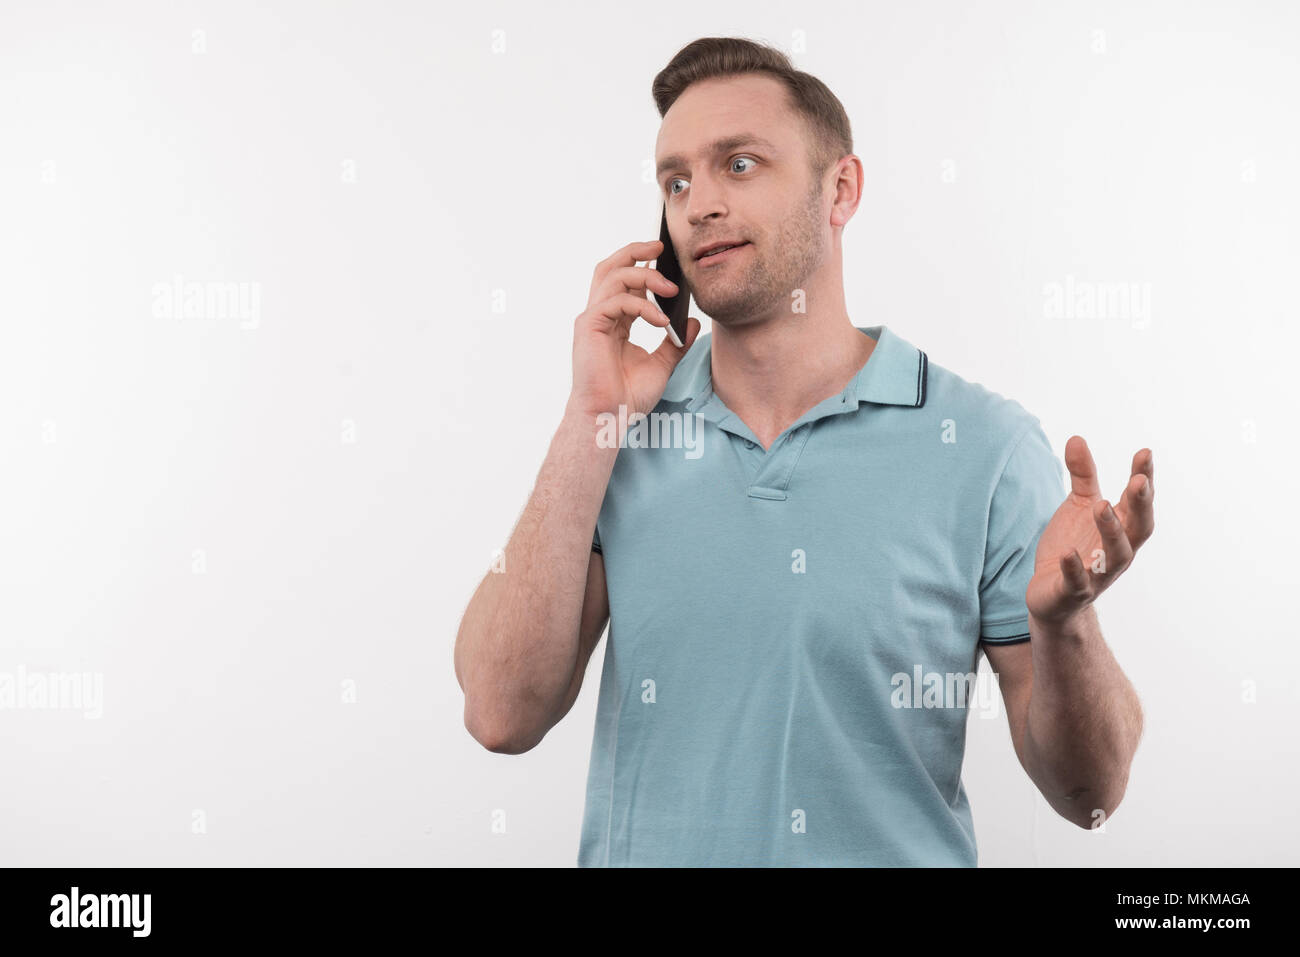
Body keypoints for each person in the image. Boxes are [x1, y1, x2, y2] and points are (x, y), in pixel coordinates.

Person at [454, 36, 1154, 867]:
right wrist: (590, 415)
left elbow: (1093, 796)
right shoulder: (622, 438)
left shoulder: (988, 447)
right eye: (675, 181)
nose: (698, 204)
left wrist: (1065, 626)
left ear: (841, 190)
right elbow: (500, 715)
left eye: (738, 165)